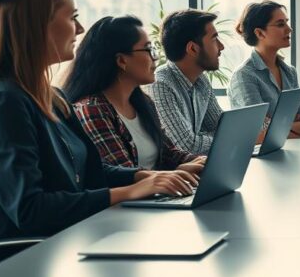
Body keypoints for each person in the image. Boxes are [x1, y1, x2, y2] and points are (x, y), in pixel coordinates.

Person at [0, 0, 198, 273]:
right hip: (25, 267)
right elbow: (30, 210)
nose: (79, 29)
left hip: (68, 245)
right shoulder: (3, 104)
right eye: (71, 17)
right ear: (37, 26)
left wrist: (137, 177)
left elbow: (90, 170)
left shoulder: (52, 97)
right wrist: (128, 192)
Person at [63, 15, 207, 172]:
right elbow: (125, 174)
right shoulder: (92, 109)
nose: (156, 57)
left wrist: (201, 161)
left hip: (162, 194)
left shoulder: (143, 103)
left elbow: (168, 153)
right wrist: (179, 172)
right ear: (122, 61)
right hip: (137, 196)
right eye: (148, 49)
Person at [145, 9, 225, 156]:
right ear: (193, 48)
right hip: (174, 175)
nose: (221, 47)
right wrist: (224, 138)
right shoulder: (160, 84)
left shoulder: (201, 80)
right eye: (214, 39)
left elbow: (223, 127)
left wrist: (208, 137)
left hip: (197, 168)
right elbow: (187, 147)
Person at [228, 0, 300, 143]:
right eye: (280, 24)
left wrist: (270, 123)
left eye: (286, 22)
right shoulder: (244, 76)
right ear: (260, 33)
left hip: (290, 154)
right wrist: (289, 123)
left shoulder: (290, 72)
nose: (289, 29)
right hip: (259, 160)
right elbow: (257, 133)